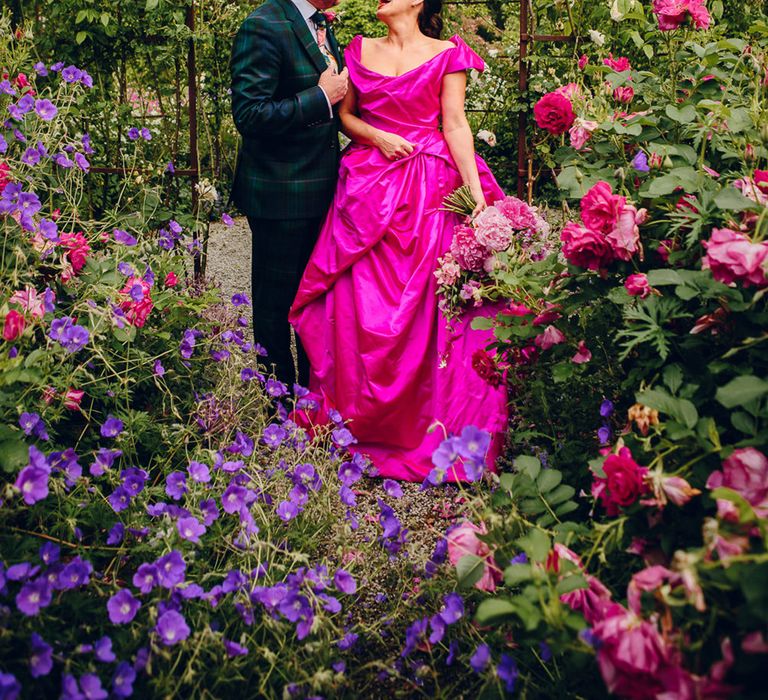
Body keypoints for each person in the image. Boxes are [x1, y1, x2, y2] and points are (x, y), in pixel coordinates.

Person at [288, 0, 508, 481]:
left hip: (430, 190)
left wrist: (477, 200)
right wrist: (378, 138)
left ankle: (430, 429)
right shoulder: (357, 49)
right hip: (368, 187)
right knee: (355, 308)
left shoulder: (448, 52)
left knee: (433, 310)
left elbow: (454, 124)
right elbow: (345, 117)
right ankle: (357, 424)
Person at [230, 0, 348, 385]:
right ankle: (279, 407)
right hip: (280, 196)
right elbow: (250, 114)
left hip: (323, 193)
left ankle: (312, 400)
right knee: (276, 308)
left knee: (314, 303)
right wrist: (319, 97)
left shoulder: (320, 25)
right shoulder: (263, 25)